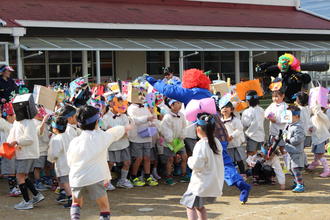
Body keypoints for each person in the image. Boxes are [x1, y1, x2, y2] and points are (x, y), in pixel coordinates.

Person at [146, 68, 251, 204]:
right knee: (224, 162)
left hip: (209, 133)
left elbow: (168, 90)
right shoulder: (205, 92)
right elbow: (177, 88)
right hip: (219, 130)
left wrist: (152, 81)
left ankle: (240, 185)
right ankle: (240, 185)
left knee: (217, 163)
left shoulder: (189, 94)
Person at [67, 105, 131, 220]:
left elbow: (70, 161)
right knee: (104, 207)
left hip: (76, 176)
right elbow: (114, 132)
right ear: (97, 121)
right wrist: (125, 127)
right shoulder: (102, 137)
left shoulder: (75, 141)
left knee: (76, 202)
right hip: (95, 177)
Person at [180, 113, 224, 220]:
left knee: (189, 205)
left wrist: (190, 160)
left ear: (198, 129)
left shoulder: (201, 144)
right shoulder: (216, 142)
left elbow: (197, 165)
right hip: (212, 182)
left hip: (200, 183)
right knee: (199, 207)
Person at [7, 110, 44, 210]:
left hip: (26, 154)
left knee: (20, 177)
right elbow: (13, 135)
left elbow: (29, 138)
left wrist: (15, 141)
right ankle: (36, 195)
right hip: (23, 153)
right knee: (24, 176)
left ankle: (27, 202)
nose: (14, 114)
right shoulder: (19, 122)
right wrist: (10, 143)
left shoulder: (28, 122)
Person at [127, 101, 158, 187]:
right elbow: (134, 120)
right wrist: (147, 118)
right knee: (138, 158)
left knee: (147, 158)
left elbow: (151, 120)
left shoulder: (145, 107)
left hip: (147, 135)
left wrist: (152, 118)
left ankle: (147, 176)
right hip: (137, 138)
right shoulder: (131, 108)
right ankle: (133, 177)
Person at [104, 101, 133, 190]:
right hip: (112, 144)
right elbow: (107, 131)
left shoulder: (124, 116)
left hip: (124, 143)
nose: (120, 105)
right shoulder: (105, 117)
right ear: (111, 104)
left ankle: (123, 180)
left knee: (127, 162)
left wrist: (118, 132)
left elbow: (127, 130)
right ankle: (106, 182)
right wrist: (120, 132)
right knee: (110, 163)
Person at [160, 98, 188, 185]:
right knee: (170, 159)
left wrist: (182, 136)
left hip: (179, 140)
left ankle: (184, 175)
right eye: (177, 103)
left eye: (180, 103)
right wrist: (170, 140)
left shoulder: (182, 115)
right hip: (170, 142)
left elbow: (184, 126)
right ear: (172, 105)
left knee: (184, 157)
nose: (180, 105)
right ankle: (168, 177)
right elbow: (165, 129)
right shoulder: (167, 117)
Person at [47, 116, 72, 208]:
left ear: (55, 128)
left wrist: (51, 159)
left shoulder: (56, 139)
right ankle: (72, 197)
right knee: (69, 181)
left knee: (65, 182)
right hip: (69, 162)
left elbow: (55, 154)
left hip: (62, 164)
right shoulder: (67, 136)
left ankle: (71, 198)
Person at [264, 90, 289, 172]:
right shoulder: (272, 105)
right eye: (274, 97)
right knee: (271, 149)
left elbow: (286, 119)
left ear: (283, 96)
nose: (275, 98)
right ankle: (272, 166)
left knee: (283, 149)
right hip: (273, 131)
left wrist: (276, 120)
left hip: (282, 132)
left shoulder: (285, 106)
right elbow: (266, 112)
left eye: (277, 96)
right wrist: (268, 116)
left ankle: (287, 166)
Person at [283, 105, 306, 192]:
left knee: (295, 168)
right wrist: (283, 136)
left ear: (296, 116)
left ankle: (300, 184)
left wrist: (289, 140)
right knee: (290, 168)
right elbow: (285, 133)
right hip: (290, 150)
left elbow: (299, 138)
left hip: (296, 151)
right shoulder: (289, 125)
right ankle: (297, 182)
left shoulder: (298, 126)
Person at [220, 102, 246, 177]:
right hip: (227, 144)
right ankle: (231, 174)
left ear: (232, 110)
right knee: (229, 160)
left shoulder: (235, 120)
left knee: (239, 159)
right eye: (223, 107)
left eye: (227, 107)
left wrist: (232, 136)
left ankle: (242, 173)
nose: (224, 108)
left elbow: (239, 129)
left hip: (236, 143)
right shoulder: (220, 121)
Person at [0, 103, 20, 196]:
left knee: (12, 171)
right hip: (7, 149)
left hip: (11, 150)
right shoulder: (5, 124)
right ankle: (14, 188)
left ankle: (14, 189)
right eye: (12, 115)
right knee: (11, 171)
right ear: (8, 116)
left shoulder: (13, 124)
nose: (14, 117)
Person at [308, 105, 330, 177]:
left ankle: (327, 170)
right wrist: (310, 129)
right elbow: (310, 126)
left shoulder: (323, 116)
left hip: (322, 138)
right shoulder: (312, 117)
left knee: (320, 154)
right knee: (316, 152)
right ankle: (315, 162)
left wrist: (317, 103)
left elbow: (318, 113)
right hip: (316, 138)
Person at [241, 90, 265, 157]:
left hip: (251, 136)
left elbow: (245, 124)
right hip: (261, 135)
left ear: (247, 101)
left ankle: (251, 167)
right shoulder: (261, 110)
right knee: (259, 155)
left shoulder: (247, 112)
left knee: (250, 154)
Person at [33, 109, 50, 191]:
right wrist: (43, 121)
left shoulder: (44, 122)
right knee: (37, 167)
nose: (42, 115)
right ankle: (37, 183)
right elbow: (39, 132)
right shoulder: (33, 122)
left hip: (46, 148)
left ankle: (45, 180)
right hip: (39, 149)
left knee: (46, 166)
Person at [295, 92, 312, 167]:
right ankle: (305, 163)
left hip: (301, 133)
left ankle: (301, 164)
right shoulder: (308, 108)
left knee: (299, 149)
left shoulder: (298, 110)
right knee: (301, 149)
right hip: (307, 133)